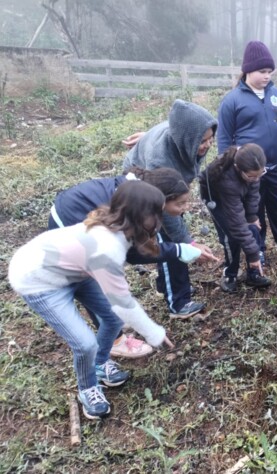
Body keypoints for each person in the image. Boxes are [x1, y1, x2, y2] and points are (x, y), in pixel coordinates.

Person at [9, 181, 175, 420]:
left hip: (75, 271)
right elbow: (123, 302)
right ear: (141, 215)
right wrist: (154, 333)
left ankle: (99, 364)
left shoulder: (118, 224)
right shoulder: (107, 249)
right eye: (156, 213)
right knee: (85, 343)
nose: (160, 219)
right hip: (38, 280)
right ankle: (88, 388)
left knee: (112, 319)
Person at [48, 167, 203, 358]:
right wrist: (152, 331)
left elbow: (141, 247)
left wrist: (182, 249)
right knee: (93, 285)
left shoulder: (140, 201)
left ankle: (114, 325)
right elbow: (134, 256)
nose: (185, 208)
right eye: (180, 203)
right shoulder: (113, 237)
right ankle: (114, 342)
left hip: (85, 208)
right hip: (69, 216)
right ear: (160, 201)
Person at [123, 99, 218, 318]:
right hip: (141, 186)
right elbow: (166, 212)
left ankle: (168, 285)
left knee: (176, 233)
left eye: (210, 139)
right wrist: (189, 243)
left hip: (166, 184)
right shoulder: (160, 160)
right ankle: (178, 301)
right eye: (202, 141)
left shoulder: (183, 138)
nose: (207, 145)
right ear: (186, 139)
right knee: (168, 239)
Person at [216, 40, 277, 262]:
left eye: (270, 71)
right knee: (254, 209)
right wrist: (227, 167)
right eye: (262, 71)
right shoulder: (233, 100)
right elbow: (223, 137)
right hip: (250, 171)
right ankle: (257, 248)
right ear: (248, 70)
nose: (267, 76)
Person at [199, 144, 271, 293]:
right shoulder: (227, 180)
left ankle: (253, 273)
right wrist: (253, 255)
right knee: (230, 236)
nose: (256, 179)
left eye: (260, 174)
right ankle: (230, 274)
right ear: (239, 168)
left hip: (238, 191)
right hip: (217, 199)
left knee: (253, 227)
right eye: (252, 176)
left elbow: (253, 193)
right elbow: (237, 224)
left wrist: (251, 216)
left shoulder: (253, 170)